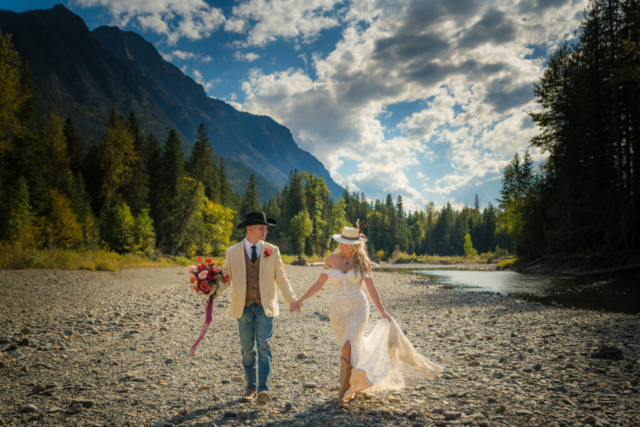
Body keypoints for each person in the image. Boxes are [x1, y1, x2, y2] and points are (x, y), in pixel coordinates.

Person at [289, 225, 443, 408]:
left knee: (348, 346)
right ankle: (354, 385)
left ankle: (343, 395)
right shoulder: (331, 259)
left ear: (357, 244)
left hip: (358, 307)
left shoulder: (363, 262)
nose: (346, 246)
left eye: (350, 243)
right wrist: (300, 299)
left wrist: (382, 312)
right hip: (337, 309)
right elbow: (319, 283)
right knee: (349, 349)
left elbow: (371, 288)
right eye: (343, 243)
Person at [204, 212, 297, 406]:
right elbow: (226, 279)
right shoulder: (233, 251)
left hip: (265, 306)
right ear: (250, 229)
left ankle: (263, 388)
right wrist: (210, 291)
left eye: (266, 228)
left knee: (264, 346)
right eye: (262, 228)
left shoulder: (273, 250)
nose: (265, 231)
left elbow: (281, 278)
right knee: (247, 350)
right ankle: (250, 387)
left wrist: (291, 300)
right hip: (243, 307)